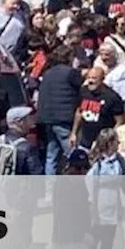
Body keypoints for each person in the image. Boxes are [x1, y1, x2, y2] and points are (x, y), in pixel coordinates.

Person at [37, 44, 83, 175]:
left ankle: (49, 192)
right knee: (73, 155)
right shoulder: (71, 73)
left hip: (47, 119)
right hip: (63, 119)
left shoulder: (48, 73)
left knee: (51, 156)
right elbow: (82, 88)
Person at [72, 65, 124, 151]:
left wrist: (109, 138)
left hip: (103, 143)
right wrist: (74, 133)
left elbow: (119, 121)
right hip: (84, 141)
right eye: (89, 78)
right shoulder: (83, 91)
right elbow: (79, 112)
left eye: (94, 78)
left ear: (102, 79)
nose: (91, 81)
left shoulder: (112, 97)